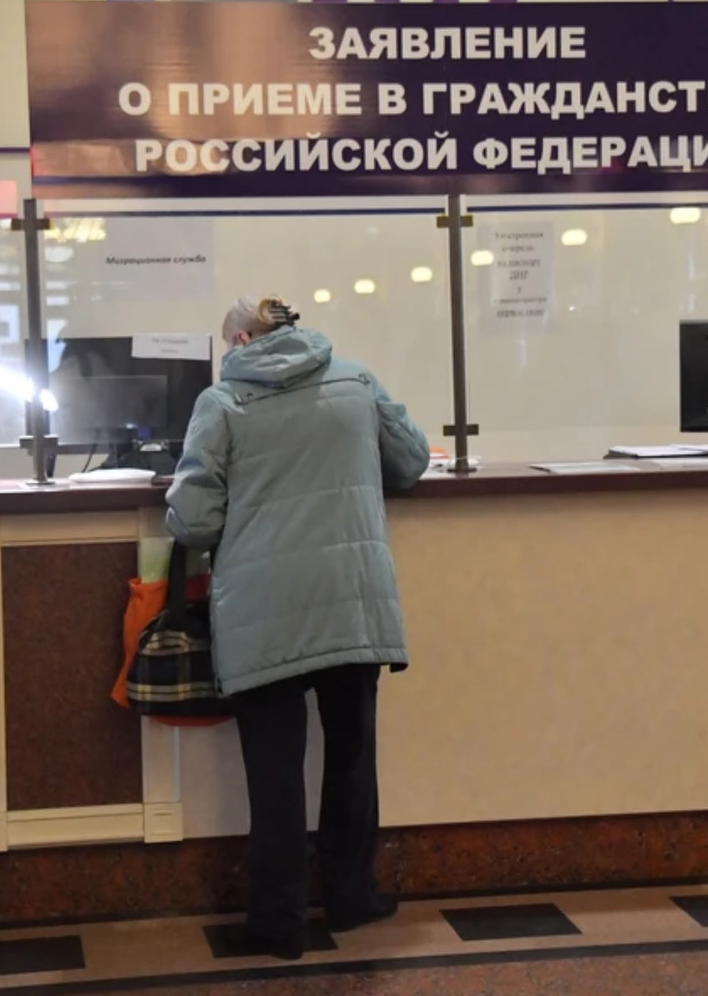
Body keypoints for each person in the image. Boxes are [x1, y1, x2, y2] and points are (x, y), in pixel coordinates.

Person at [165, 295, 430, 961]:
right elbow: (411, 462)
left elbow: (193, 520)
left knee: (275, 774)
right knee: (352, 757)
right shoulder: (356, 381)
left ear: (243, 339)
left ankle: (279, 922)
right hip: (351, 599)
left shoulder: (221, 404)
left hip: (264, 609)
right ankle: (351, 896)